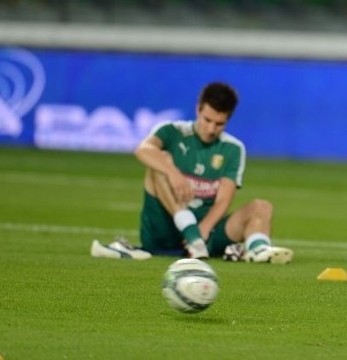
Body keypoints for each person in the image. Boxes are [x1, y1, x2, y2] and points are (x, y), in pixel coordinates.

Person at [91, 81, 293, 264]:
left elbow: (224, 198)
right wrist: (172, 172)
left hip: (206, 235)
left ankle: (258, 250)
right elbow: (143, 150)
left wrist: (204, 229)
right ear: (198, 109)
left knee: (261, 207)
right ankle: (190, 234)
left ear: (228, 120)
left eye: (219, 123)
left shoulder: (233, 148)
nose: (211, 128)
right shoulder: (171, 132)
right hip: (165, 231)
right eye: (207, 120)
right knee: (160, 160)